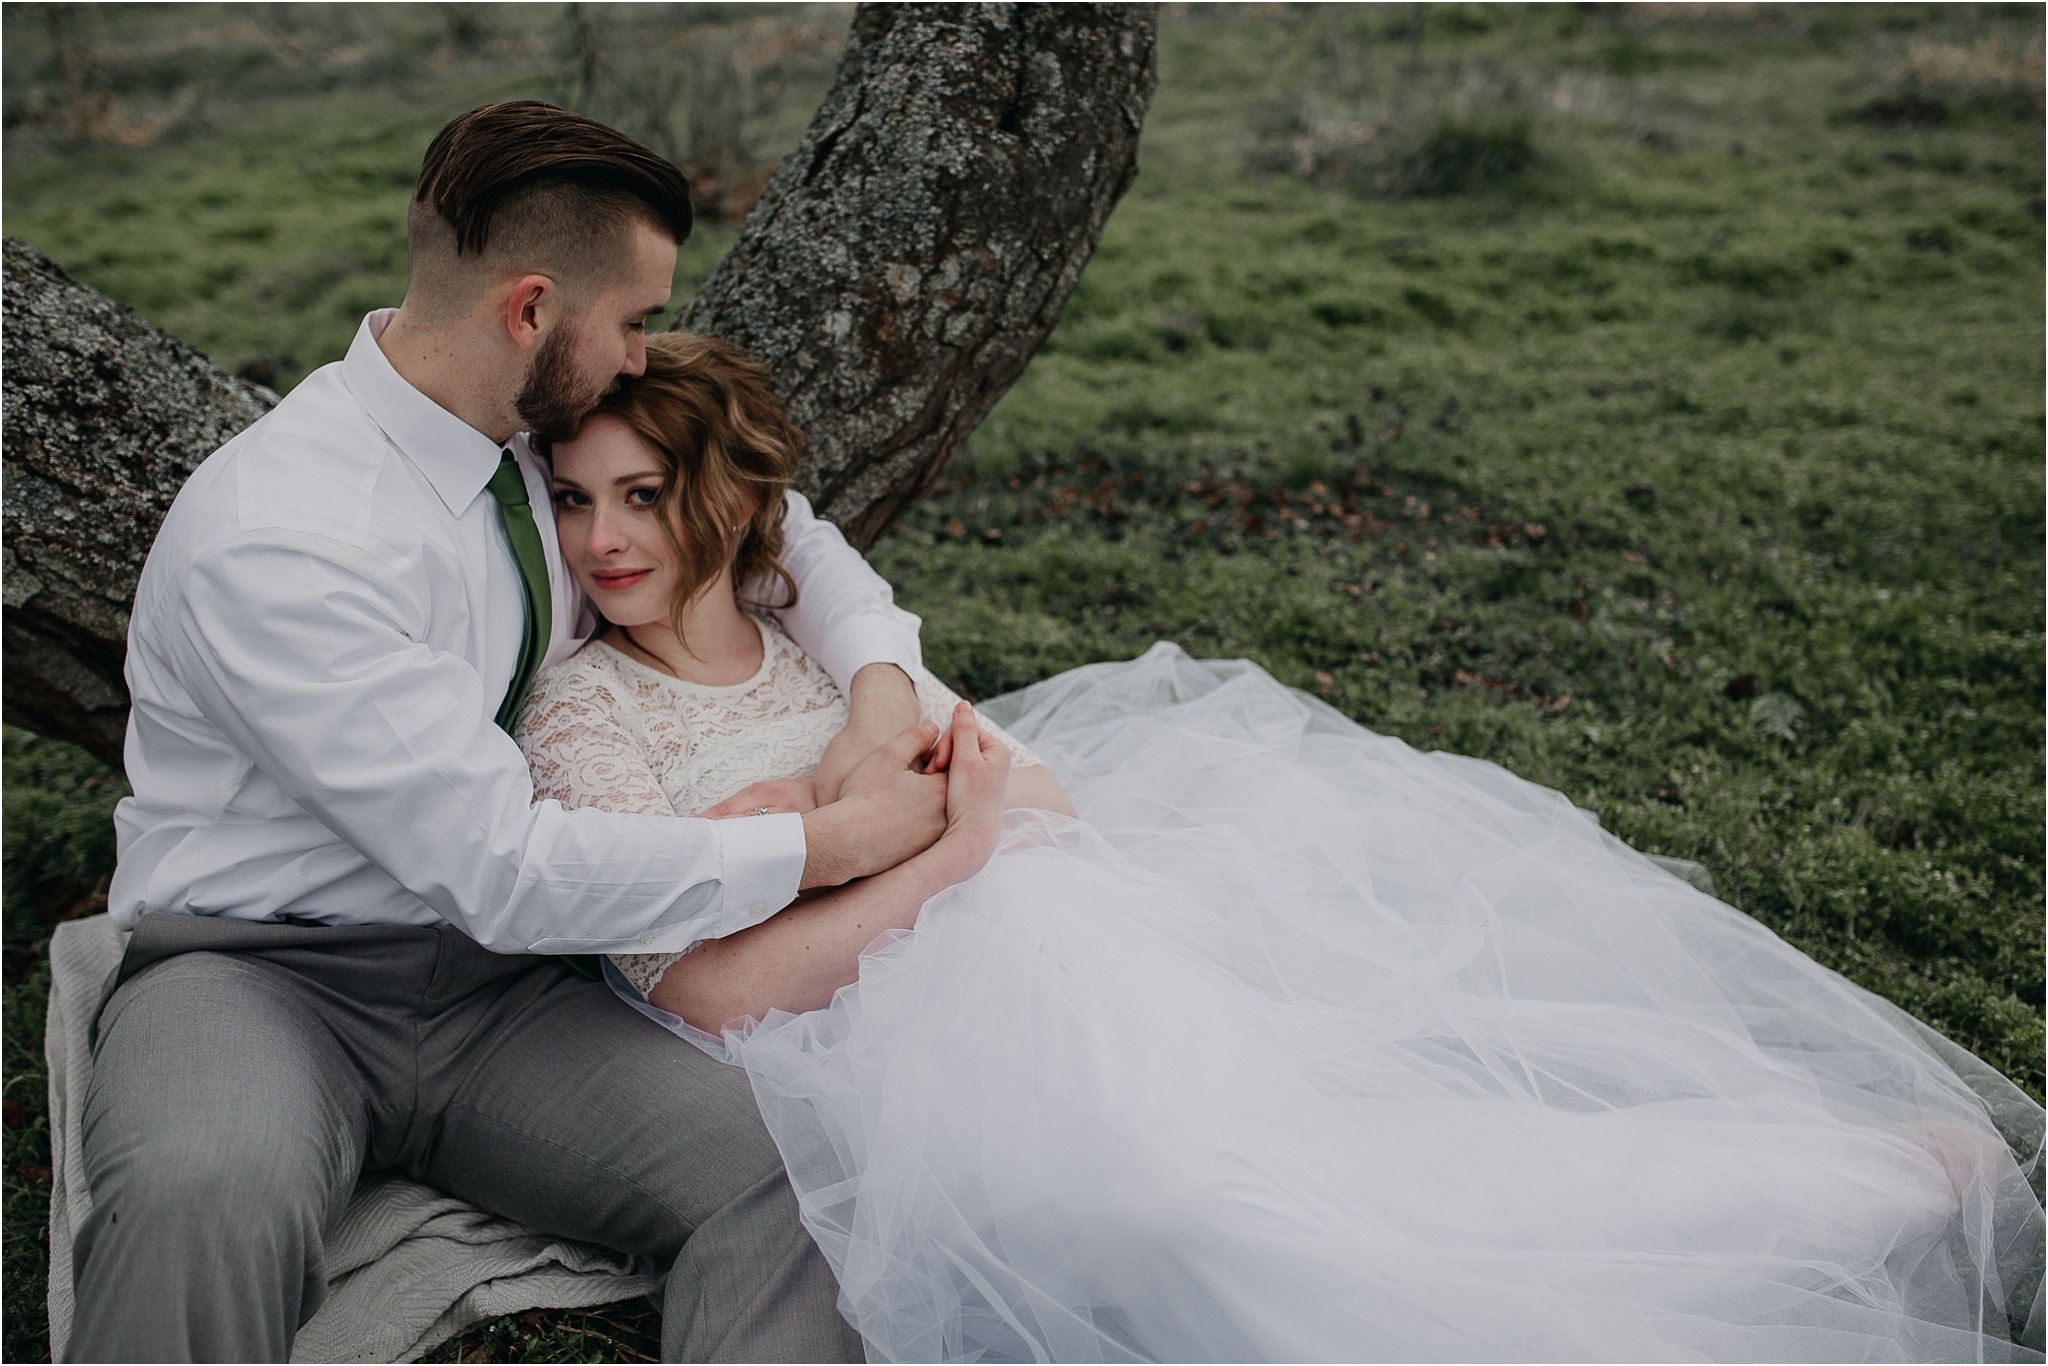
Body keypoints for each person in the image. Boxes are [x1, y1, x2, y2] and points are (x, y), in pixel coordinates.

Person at [521, 334, 2047, 1363]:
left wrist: (843, 820)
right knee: (1204, 1219)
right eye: (578, 502)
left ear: (719, 496)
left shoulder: (814, 643)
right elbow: (707, 993)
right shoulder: (586, 712)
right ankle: (1790, 1211)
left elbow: (1037, 807)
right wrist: (930, 849)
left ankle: (1819, 1193)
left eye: (641, 496)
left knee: (1330, 1156)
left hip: (1059, 966)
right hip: (887, 1048)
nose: (605, 541)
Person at [75, 102, 936, 1363]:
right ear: (529, 310)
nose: (641, 358)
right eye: (632, 320)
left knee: (790, 1173)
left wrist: (879, 689)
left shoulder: (528, 441)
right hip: (264, 969)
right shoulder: (284, 534)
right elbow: (504, 864)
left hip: (502, 990)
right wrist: (829, 843)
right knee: (203, 1190)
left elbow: (784, 529)